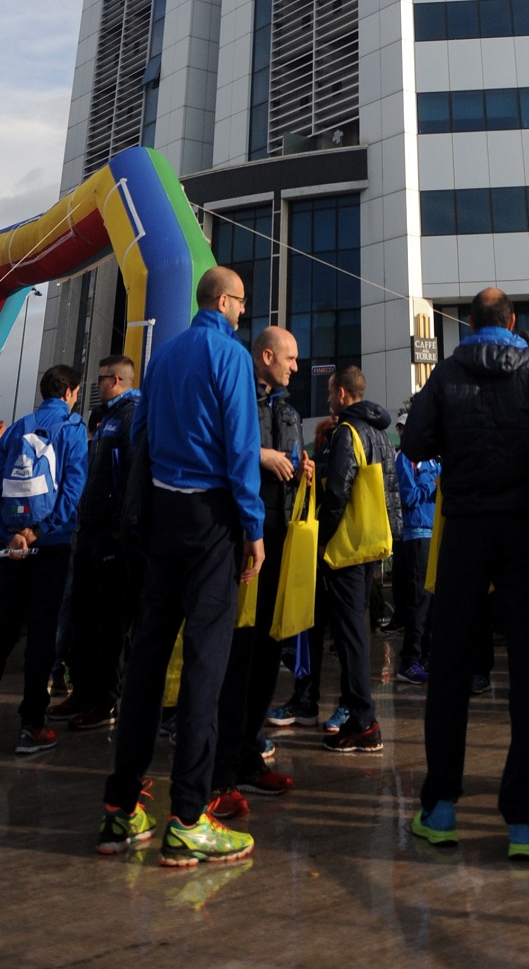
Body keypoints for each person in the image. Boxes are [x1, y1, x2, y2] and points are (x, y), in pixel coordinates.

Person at [98, 266, 263, 868]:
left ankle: (121, 808)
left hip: (160, 519)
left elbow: (140, 435)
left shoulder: (161, 358)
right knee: (205, 665)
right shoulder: (230, 355)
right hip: (212, 519)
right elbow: (241, 446)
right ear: (224, 301)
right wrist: (254, 526)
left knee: (147, 657)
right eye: (242, 302)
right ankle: (190, 816)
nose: (245, 311)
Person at [399, 287, 529, 861]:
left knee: (449, 668)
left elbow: (414, 441)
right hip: (524, 530)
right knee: (528, 670)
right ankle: (522, 819)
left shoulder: (444, 375)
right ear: (514, 321)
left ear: (468, 323)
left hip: (464, 528)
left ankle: (441, 807)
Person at [0, 364, 88, 757]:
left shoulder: (16, 428)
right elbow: (74, 487)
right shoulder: (73, 430)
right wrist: (42, 532)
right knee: (42, 634)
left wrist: (7, 530)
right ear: (69, 393)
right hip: (52, 542)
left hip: (12, 543)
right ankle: (31, 725)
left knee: (0, 629)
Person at [209, 327, 305, 813]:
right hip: (243, 543)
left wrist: (301, 465)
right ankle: (221, 771)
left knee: (269, 652)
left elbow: (286, 461)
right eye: (289, 357)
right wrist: (260, 455)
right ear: (266, 356)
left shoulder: (286, 408)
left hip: (279, 541)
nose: (295, 366)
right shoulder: (236, 392)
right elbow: (219, 451)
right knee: (237, 656)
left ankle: (248, 755)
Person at [57, 354, 143, 731]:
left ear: (119, 381)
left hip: (110, 534)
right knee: (82, 614)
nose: (98, 385)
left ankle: (106, 698)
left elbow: (132, 474)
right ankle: (84, 691)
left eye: (103, 379)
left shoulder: (130, 416)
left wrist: (120, 526)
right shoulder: (106, 417)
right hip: (89, 529)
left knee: (110, 620)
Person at [317, 363, 396, 756]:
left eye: (332, 391)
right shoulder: (381, 433)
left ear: (343, 395)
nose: (329, 398)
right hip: (372, 543)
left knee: (349, 634)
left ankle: (364, 720)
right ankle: (357, 716)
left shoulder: (347, 433)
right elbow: (392, 488)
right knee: (358, 630)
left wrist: (322, 537)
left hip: (347, 546)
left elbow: (337, 493)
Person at [392, 415, 437, 683]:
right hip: (417, 533)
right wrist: (432, 484)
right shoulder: (406, 458)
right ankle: (409, 660)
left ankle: (425, 657)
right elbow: (407, 497)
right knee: (419, 600)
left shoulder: (431, 459)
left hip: (432, 533)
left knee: (430, 600)